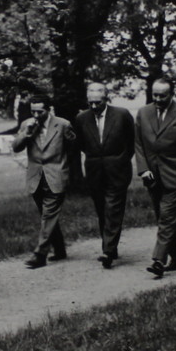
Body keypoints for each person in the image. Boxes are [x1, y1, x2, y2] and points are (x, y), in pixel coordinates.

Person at [134, 77, 176, 278]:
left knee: (166, 215)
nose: (158, 99)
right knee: (164, 217)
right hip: (151, 175)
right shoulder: (143, 112)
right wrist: (143, 169)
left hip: (175, 173)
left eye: (162, 95)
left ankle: (158, 260)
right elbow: (138, 144)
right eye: (155, 94)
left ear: (172, 94)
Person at [73, 82, 134, 269]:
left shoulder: (122, 115)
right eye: (90, 102)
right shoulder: (82, 118)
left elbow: (131, 142)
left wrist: (119, 161)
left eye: (97, 103)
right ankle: (110, 247)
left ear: (106, 98)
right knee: (102, 210)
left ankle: (107, 250)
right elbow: (81, 144)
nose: (93, 106)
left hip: (118, 170)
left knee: (113, 209)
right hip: (94, 171)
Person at [12, 94, 77, 269]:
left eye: (39, 112)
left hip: (56, 175)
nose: (36, 115)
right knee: (46, 215)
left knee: (48, 215)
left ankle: (40, 254)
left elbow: (72, 147)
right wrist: (26, 133)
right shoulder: (27, 125)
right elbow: (16, 147)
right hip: (35, 177)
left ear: (49, 110)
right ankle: (60, 249)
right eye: (33, 112)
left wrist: (63, 166)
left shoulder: (62, 124)